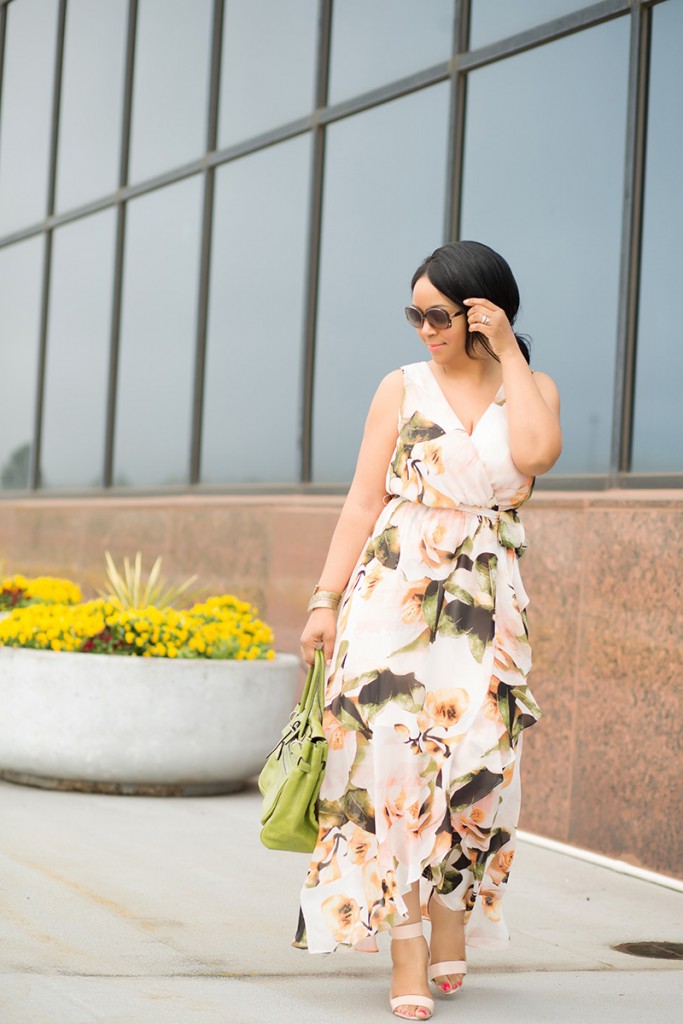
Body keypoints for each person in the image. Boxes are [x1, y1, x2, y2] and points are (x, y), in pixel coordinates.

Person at [296, 240, 562, 1020]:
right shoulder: (400, 386)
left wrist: (507, 351)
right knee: (391, 758)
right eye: (414, 314)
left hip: (486, 599)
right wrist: (323, 597)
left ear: (484, 311)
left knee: (479, 762)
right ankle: (407, 938)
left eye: (438, 314)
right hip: (393, 590)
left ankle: (454, 912)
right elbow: (359, 501)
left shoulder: (530, 386)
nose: (424, 329)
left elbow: (536, 454)